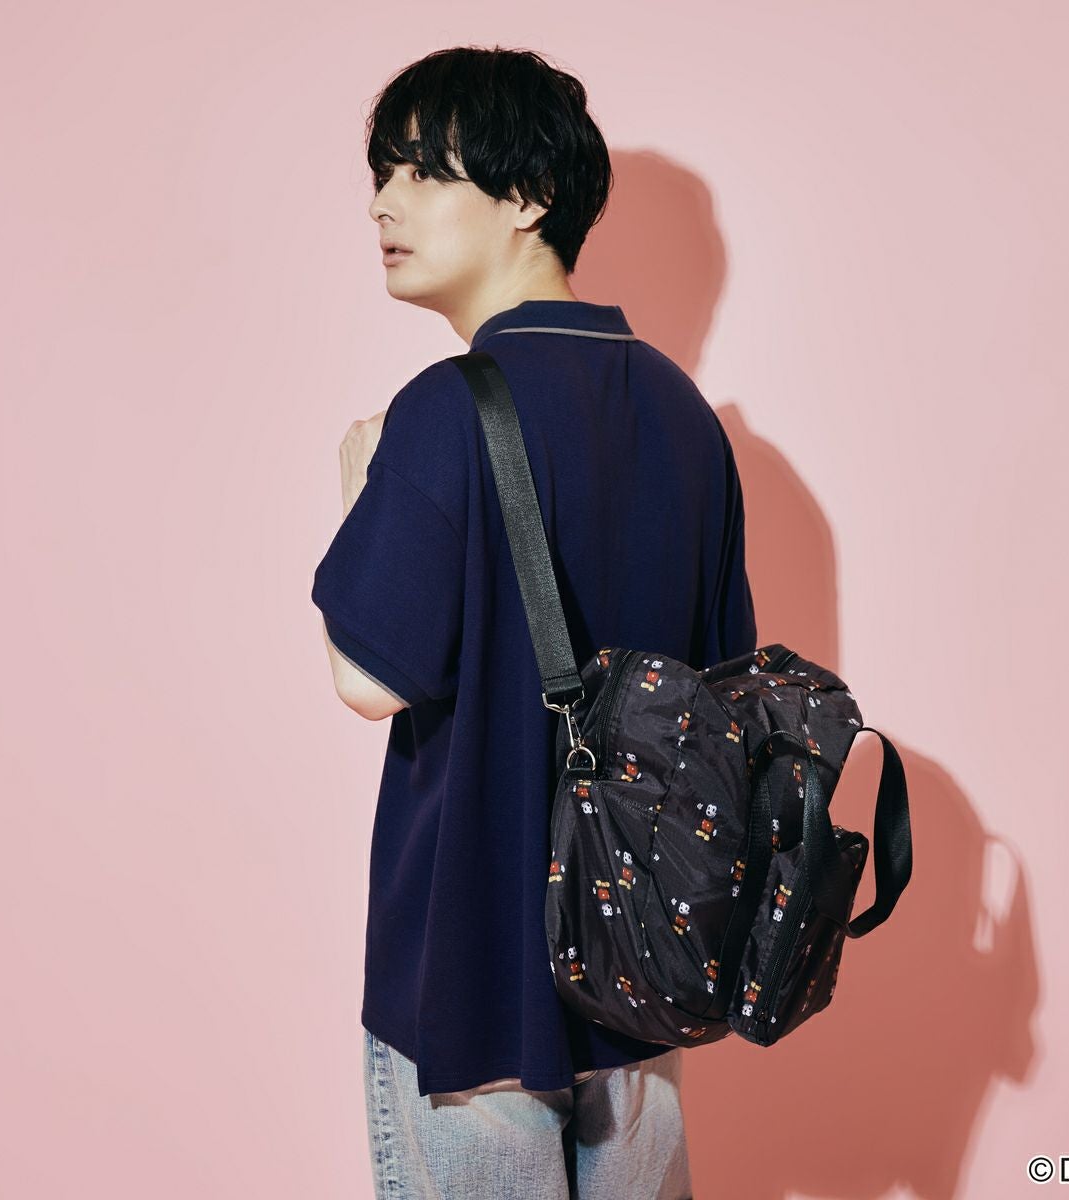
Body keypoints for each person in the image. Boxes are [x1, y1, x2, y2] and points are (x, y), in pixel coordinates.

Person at [310, 45, 756, 1199]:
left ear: (528, 196)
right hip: (640, 972)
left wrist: (359, 489)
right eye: (381, 173)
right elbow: (722, 694)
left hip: (473, 986)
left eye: (422, 171)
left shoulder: (443, 410)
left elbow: (369, 677)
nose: (383, 203)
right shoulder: (686, 416)